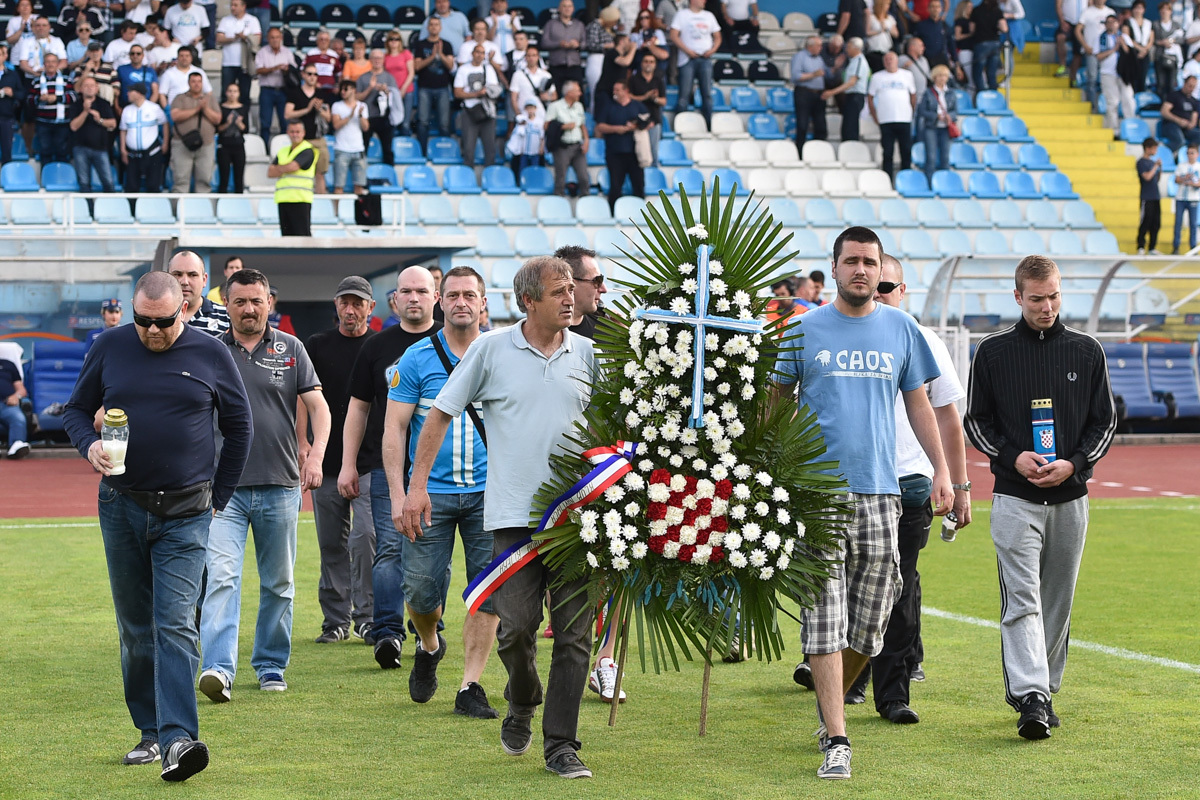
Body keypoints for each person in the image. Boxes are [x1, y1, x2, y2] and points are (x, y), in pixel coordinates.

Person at [400, 256, 597, 779]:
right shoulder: (490, 349)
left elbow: (611, 428)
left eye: (571, 289)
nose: (570, 298)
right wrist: (417, 487)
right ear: (528, 301)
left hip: (579, 520)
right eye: (558, 291)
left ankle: (561, 745)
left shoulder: (589, 353)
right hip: (513, 519)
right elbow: (440, 412)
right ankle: (522, 700)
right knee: (515, 631)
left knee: (574, 636)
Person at [774, 226, 952, 781]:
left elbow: (919, 404)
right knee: (824, 618)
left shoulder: (902, 329)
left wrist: (942, 469)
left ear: (880, 270)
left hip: (882, 491)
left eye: (869, 262)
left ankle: (829, 704)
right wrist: (772, 472)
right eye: (851, 261)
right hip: (818, 495)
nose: (861, 270)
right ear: (834, 268)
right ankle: (837, 736)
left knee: (872, 621)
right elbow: (775, 404)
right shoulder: (802, 330)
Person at [62, 270, 252, 783]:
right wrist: (89, 446)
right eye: (142, 321)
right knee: (135, 628)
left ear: (183, 309)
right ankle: (148, 731)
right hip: (121, 505)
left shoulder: (211, 353)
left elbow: (240, 427)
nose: (151, 331)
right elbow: (76, 411)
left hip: (187, 513)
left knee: (175, 623)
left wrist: (220, 497)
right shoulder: (109, 346)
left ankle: (178, 740)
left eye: (163, 322)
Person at [964, 254, 1116, 741]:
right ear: (1018, 297)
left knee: (1057, 600)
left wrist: (1075, 463)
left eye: (1053, 296)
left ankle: (1045, 690)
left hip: (1071, 499)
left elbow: (1105, 422)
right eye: (1036, 299)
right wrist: (1013, 458)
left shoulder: (1087, 351)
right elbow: (976, 422)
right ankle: (1030, 695)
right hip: (1014, 499)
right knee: (1022, 598)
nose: (1047, 307)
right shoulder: (991, 352)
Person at [195, 268, 328, 705]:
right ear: (227, 305)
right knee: (221, 578)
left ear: (269, 302)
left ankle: (271, 664)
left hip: (281, 485)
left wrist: (316, 454)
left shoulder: (292, 348)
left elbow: (319, 408)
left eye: (256, 300)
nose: (249, 309)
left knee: (279, 583)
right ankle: (218, 668)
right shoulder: (211, 352)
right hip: (223, 491)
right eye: (240, 301)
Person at [383, 266, 501, 718]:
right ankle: (430, 644)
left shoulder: (502, 353)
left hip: (490, 495)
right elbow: (394, 429)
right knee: (420, 592)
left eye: (470, 295)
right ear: (440, 301)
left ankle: (471, 685)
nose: (461, 303)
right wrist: (400, 495)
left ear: (483, 303)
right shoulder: (416, 358)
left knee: (488, 591)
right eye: (452, 295)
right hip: (428, 495)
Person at [861, 254, 971, 725]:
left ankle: (893, 693)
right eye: (874, 285)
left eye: (888, 286)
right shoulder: (839, 334)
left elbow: (947, 415)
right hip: (852, 481)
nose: (879, 293)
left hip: (909, 481)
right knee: (848, 584)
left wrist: (957, 483)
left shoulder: (924, 340)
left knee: (899, 586)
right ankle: (848, 677)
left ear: (902, 290)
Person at [342, 267, 441, 671]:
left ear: (435, 296)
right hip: (388, 467)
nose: (414, 298)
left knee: (435, 552)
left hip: (441, 469)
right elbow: (358, 408)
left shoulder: (451, 341)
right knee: (389, 548)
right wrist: (348, 463)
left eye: (422, 291)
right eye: (406, 291)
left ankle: (428, 628)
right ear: (394, 299)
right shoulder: (376, 346)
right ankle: (387, 632)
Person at [305, 276, 380, 644]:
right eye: (344, 302)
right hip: (326, 463)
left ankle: (368, 617)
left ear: (371, 307)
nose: (350, 310)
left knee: (366, 538)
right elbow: (301, 397)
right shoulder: (316, 346)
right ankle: (335, 620)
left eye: (357, 303)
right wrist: (304, 446)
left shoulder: (379, 346)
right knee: (331, 544)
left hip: (371, 462)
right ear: (335, 305)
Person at [595, 80, 646, 213]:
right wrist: (616, 129)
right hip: (615, 153)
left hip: (635, 152)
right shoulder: (608, 106)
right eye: (614, 90)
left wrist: (634, 126)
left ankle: (641, 213)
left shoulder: (637, 106)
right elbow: (600, 126)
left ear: (626, 91)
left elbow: (649, 122)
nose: (615, 92)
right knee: (616, 186)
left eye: (617, 90)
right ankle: (614, 213)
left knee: (639, 185)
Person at [670, 0, 721, 129]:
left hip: (705, 59)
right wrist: (687, 51)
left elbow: (718, 36)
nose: (704, 1)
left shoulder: (709, 15)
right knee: (684, 94)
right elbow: (673, 35)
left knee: (707, 94)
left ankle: (708, 127)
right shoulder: (682, 14)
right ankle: (680, 126)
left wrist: (712, 50)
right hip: (687, 59)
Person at [868, 51, 917, 182]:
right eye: (886, 60)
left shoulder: (907, 75)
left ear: (897, 61)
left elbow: (913, 95)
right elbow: (870, 97)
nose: (889, 62)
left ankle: (906, 179)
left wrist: (911, 111)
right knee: (887, 152)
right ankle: (887, 180)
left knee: (905, 150)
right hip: (886, 119)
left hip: (904, 118)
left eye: (891, 59)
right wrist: (874, 115)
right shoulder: (877, 77)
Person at [169, 71, 219, 192]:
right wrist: (197, 109)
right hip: (182, 144)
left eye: (199, 81)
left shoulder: (210, 99)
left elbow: (217, 119)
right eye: (193, 81)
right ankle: (179, 204)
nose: (196, 84)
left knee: (205, 180)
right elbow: (175, 116)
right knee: (181, 180)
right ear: (188, 83)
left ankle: (203, 204)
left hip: (206, 144)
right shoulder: (180, 98)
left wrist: (205, 108)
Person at [284, 65, 330, 195]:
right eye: (309, 74)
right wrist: (307, 109)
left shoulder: (321, 94)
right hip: (300, 140)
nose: (312, 77)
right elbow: (287, 114)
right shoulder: (295, 93)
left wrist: (320, 109)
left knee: (320, 174)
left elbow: (328, 117)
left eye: (315, 74)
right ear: (303, 74)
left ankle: (321, 202)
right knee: (299, 172)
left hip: (317, 139)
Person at [413, 16, 456, 151]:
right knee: (423, 122)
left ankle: (445, 152)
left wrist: (440, 54)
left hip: (443, 88)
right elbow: (417, 66)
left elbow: (451, 66)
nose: (434, 27)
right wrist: (432, 56)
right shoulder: (421, 44)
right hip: (424, 88)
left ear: (440, 27)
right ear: (427, 27)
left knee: (444, 123)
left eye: (436, 24)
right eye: (431, 24)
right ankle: (422, 152)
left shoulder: (446, 45)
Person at [269, 119, 317, 237]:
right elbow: (270, 172)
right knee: (286, 237)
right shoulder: (283, 151)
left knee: (302, 237)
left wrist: (279, 169)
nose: (294, 135)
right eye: (292, 132)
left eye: (297, 132)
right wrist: (286, 168)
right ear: (287, 132)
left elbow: (293, 166)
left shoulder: (308, 150)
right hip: (283, 199)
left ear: (303, 133)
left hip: (300, 199)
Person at [69, 74, 116, 192]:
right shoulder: (76, 105)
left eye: (92, 85)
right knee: (84, 183)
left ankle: (110, 204)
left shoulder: (104, 104)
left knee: (108, 182)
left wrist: (100, 120)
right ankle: (87, 205)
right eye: (86, 86)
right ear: (81, 89)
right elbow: (73, 126)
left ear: (97, 88)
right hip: (81, 148)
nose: (89, 88)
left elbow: (113, 124)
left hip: (100, 148)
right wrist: (85, 111)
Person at [118, 82, 167, 192]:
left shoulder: (154, 108)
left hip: (152, 154)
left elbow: (165, 123)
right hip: (133, 155)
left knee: (153, 185)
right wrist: (123, 150)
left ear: (139, 93)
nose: (127, 94)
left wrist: (165, 143)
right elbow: (123, 130)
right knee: (131, 187)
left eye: (131, 91)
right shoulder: (127, 110)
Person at [545, 80, 589, 197]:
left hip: (577, 146)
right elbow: (546, 126)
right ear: (569, 93)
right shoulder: (555, 106)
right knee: (560, 177)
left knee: (584, 176)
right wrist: (563, 126)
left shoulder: (579, 106)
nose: (580, 93)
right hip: (562, 146)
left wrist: (586, 141)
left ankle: (586, 200)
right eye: (577, 91)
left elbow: (582, 125)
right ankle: (559, 200)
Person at [169, 250, 230, 335]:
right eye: (178, 274)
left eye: (192, 275)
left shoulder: (226, 317)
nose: (185, 282)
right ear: (167, 278)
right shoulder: (154, 316)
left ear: (204, 280)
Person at [28, 52, 74, 164]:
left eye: (53, 61)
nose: (50, 64)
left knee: (62, 152)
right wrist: (39, 99)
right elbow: (29, 99)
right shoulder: (37, 81)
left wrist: (56, 98)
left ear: (58, 64)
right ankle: (46, 174)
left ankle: (61, 174)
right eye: (48, 62)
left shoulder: (66, 80)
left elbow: (73, 97)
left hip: (62, 123)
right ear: (44, 64)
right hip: (43, 123)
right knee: (45, 152)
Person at [355, 49, 398, 167]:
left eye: (379, 58)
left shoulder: (389, 78)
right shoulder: (363, 78)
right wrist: (370, 88)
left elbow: (396, 99)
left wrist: (386, 91)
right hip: (367, 117)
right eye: (374, 58)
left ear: (383, 60)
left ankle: (389, 173)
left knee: (388, 149)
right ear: (370, 60)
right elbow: (357, 97)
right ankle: (361, 172)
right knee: (363, 147)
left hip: (384, 118)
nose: (377, 60)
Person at [822, 37, 869, 142]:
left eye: (848, 47)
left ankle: (851, 147)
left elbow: (851, 82)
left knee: (850, 127)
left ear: (855, 48)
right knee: (847, 126)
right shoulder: (853, 61)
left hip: (855, 96)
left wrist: (832, 92)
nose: (846, 49)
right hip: (850, 96)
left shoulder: (859, 61)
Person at [916, 64, 956, 180]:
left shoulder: (951, 93)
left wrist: (949, 116)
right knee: (931, 157)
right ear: (934, 77)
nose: (942, 78)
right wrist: (935, 116)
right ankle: (930, 183)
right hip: (931, 127)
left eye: (944, 76)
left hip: (945, 128)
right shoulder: (928, 93)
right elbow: (922, 111)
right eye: (940, 75)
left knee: (945, 158)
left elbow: (955, 111)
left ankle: (945, 183)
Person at [329, 79, 369, 195]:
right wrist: (350, 116)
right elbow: (336, 125)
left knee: (359, 187)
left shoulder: (362, 106)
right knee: (339, 186)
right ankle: (337, 207)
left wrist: (360, 115)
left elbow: (366, 127)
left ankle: (359, 208)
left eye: (345, 89)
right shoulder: (337, 106)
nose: (343, 92)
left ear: (353, 90)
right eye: (341, 89)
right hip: (341, 149)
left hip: (358, 149)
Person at [215, 0, 259, 103]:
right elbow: (219, 38)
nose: (232, 8)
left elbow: (257, 39)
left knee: (245, 93)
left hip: (245, 64)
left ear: (243, 6)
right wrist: (234, 38)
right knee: (225, 93)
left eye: (235, 5)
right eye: (231, 5)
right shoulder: (225, 20)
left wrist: (245, 37)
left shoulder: (252, 20)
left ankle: (244, 114)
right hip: (228, 63)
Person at [792, 36, 828, 158]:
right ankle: (800, 153)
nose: (821, 48)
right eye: (819, 45)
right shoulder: (800, 56)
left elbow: (826, 73)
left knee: (821, 125)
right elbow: (795, 76)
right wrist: (813, 75)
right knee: (802, 125)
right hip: (804, 93)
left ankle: (819, 154)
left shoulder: (819, 59)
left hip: (818, 94)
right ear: (810, 46)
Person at [628, 51, 665, 165]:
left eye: (651, 62)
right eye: (646, 61)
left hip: (654, 119)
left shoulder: (658, 80)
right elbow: (629, 97)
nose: (649, 64)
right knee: (638, 153)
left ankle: (654, 175)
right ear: (641, 64)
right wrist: (645, 97)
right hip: (637, 121)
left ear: (655, 64)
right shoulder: (634, 79)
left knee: (654, 152)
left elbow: (663, 101)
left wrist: (655, 99)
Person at [254, 26, 291, 139]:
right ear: (268, 39)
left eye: (277, 37)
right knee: (265, 123)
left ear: (281, 38)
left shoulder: (287, 52)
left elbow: (293, 69)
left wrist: (286, 70)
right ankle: (264, 147)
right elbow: (258, 70)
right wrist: (275, 68)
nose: (275, 40)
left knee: (284, 122)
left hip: (283, 90)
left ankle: (285, 146)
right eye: (272, 37)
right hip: (267, 90)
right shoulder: (262, 52)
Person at [1075, 0, 1113, 111]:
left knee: (1107, 79)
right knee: (1092, 78)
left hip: (1107, 52)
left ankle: (1107, 105)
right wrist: (1085, 46)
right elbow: (1077, 30)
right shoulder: (1087, 12)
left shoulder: (1110, 12)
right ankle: (1092, 106)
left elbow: (1115, 30)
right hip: (1091, 51)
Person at [542, 0, 586, 94]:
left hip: (574, 65)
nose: (567, 9)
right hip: (556, 65)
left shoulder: (579, 25)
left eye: (569, 6)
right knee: (555, 94)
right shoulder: (551, 24)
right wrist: (559, 44)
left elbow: (585, 43)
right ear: (559, 9)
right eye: (564, 6)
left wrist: (577, 45)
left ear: (573, 9)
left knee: (578, 94)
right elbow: (544, 43)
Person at [593, 33, 637, 124]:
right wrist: (633, 49)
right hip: (605, 92)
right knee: (602, 120)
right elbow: (625, 62)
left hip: (617, 93)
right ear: (621, 42)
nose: (630, 43)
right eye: (628, 40)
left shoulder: (625, 55)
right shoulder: (612, 53)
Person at [1097, 14, 1131, 131]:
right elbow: (1099, 56)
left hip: (1124, 73)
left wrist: (1122, 43)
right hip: (1107, 72)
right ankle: (1113, 129)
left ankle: (1130, 126)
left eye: (1114, 22)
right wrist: (1113, 49)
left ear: (1118, 24)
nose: (1111, 24)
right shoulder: (1101, 38)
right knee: (1113, 101)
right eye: (1109, 22)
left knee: (1128, 99)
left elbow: (1130, 53)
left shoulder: (1124, 37)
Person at [585, 7, 620, 113]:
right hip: (596, 58)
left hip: (607, 59)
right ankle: (594, 114)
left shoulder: (608, 28)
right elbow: (591, 45)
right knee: (596, 90)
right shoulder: (594, 25)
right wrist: (606, 46)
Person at [215, 81, 247, 193]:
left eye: (235, 91)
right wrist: (227, 124)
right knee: (224, 178)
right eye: (230, 91)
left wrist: (239, 124)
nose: (232, 94)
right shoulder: (221, 108)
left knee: (239, 178)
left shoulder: (243, 108)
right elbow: (217, 129)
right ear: (226, 93)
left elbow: (246, 129)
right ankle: (221, 200)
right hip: (224, 146)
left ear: (239, 93)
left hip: (238, 146)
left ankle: (240, 200)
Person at [969, 0, 1007, 92]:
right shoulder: (997, 11)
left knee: (978, 72)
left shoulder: (976, 10)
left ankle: (982, 94)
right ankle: (993, 94)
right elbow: (1004, 28)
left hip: (981, 43)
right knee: (992, 73)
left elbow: (971, 29)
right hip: (995, 43)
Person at [1, 346, 31, 459]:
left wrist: (16, 396)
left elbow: (21, 390)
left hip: (7, 404)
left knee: (18, 418)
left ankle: (16, 446)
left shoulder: (8, 365)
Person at [383, 29, 414, 137]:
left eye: (397, 39)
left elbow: (411, 73)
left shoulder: (406, 54)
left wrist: (403, 89)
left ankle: (405, 146)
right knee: (393, 122)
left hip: (406, 91)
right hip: (391, 92)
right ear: (388, 42)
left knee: (405, 123)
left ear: (400, 41)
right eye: (391, 39)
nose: (394, 41)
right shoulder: (385, 56)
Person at [509, 44, 555, 117]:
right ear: (525, 57)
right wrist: (519, 115)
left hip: (542, 115)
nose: (531, 58)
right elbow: (513, 98)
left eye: (534, 55)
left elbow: (554, 96)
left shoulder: (546, 75)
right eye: (529, 55)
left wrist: (547, 97)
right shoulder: (517, 74)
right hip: (524, 114)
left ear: (538, 57)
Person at [1160, 74, 1200, 155]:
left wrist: (1190, 124)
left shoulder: (1194, 101)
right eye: (1190, 86)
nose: (1191, 89)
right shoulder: (1174, 95)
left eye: (1193, 87)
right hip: (1171, 125)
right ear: (1184, 84)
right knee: (1180, 141)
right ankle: (1162, 152)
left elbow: (1194, 118)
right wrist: (1178, 120)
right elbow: (1164, 111)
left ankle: (1188, 155)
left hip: (1186, 128)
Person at [506, 100, 544, 183]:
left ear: (535, 109)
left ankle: (534, 183)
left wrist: (541, 148)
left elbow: (542, 137)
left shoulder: (540, 122)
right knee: (522, 168)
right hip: (524, 150)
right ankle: (522, 183)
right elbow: (518, 136)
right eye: (528, 108)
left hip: (535, 150)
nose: (530, 110)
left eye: (532, 108)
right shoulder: (523, 121)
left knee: (534, 168)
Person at [1122, 0, 1153, 94]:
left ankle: (1141, 98)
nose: (1138, 10)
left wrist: (1145, 49)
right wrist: (1139, 48)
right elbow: (1126, 37)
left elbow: (1151, 39)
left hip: (1145, 53)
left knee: (1142, 78)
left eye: (1140, 8)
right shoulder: (1128, 22)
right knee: (1132, 78)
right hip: (1133, 53)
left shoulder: (1148, 23)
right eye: (1136, 8)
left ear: (1144, 10)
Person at [1154, 1, 1183, 102]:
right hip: (1160, 57)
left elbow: (1182, 39)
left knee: (1172, 84)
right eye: (1162, 9)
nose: (1164, 11)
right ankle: (1161, 104)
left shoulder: (1176, 25)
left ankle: (1171, 104)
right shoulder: (1155, 24)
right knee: (1161, 84)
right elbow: (1153, 40)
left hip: (1173, 59)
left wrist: (1171, 41)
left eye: (1167, 9)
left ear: (1171, 11)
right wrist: (1162, 42)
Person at [1137, 136, 1162, 254]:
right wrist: (1155, 166)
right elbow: (1147, 177)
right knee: (1145, 221)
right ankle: (1141, 246)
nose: (1155, 151)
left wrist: (1159, 168)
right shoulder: (1141, 162)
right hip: (1146, 197)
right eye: (1154, 148)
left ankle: (1152, 247)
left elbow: (1156, 179)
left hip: (1155, 196)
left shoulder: (1152, 162)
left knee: (1156, 223)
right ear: (1147, 148)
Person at [1174, 142, 1200, 253]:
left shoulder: (1198, 167)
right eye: (1188, 153)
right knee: (1178, 223)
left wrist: (1193, 183)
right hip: (1180, 198)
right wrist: (1185, 178)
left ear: (1197, 154)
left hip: (1193, 198)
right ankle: (1176, 247)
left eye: (1192, 153)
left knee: (1193, 224)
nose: (1190, 155)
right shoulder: (1182, 166)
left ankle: (1193, 247)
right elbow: (1176, 179)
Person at [0, 43, 23, 166]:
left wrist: (12, 93)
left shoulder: (12, 74)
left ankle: (5, 175)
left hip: (6, 117)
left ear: (5, 56)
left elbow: (22, 94)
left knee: (6, 152)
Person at [914, 0, 956, 67]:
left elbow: (951, 45)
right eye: (932, 7)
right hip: (927, 62)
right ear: (928, 9)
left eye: (937, 7)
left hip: (943, 61)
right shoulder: (921, 26)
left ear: (941, 9)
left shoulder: (945, 26)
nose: (935, 9)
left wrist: (956, 62)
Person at [302, 29, 341, 101]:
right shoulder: (311, 53)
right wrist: (313, 83)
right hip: (314, 90)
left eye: (326, 40)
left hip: (330, 91)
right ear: (317, 41)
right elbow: (303, 71)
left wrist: (337, 86)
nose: (323, 42)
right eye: (321, 39)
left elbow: (339, 74)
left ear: (329, 41)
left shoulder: (334, 55)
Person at [1054, 0, 1083, 80]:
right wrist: (1062, 21)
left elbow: (1090, 5)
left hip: (1082, 24)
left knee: (1078, 51)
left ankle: (1073, 77)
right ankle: (1062, 66)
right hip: (1067, 21)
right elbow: (1058, 5)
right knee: (1060, 37)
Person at [900, 35, 931, 100]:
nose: (923, 48)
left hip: (923, 96)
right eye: (920, 46)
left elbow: (928, 76)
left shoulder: (924, 60)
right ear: (912, 47)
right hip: (909, 96)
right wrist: (903, 68)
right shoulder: (902, 59)